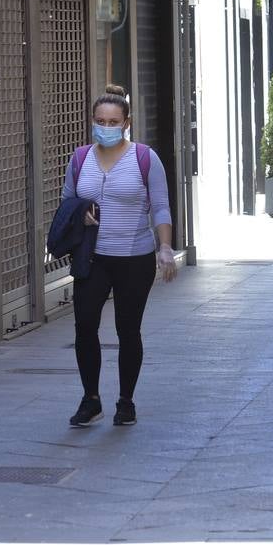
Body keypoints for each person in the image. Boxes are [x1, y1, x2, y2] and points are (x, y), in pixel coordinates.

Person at [63, 84, 175, 428]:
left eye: (113, 122)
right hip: (91, 257)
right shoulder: (79, 158)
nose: (106, 127)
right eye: (100, 121)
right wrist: (79, 214)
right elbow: (67, 202)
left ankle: (126, 401)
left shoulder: (144, 158)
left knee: (128, 330)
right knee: (85, 326)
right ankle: (90, 399)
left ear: (126, 122)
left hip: (133, 257)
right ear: (92, 121)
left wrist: (165, 247)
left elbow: (160, 206)